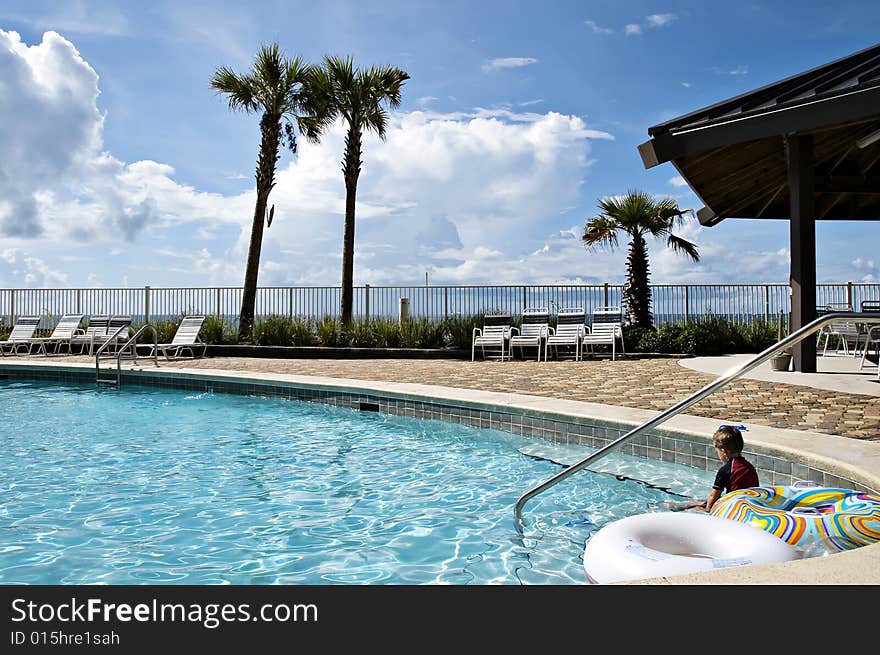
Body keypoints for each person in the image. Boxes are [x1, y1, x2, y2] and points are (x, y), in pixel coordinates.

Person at [664, 425, 759, 512]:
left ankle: (680, 507)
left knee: (700, 507)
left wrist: (708, 511)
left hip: (734, 507)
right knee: (704, 502)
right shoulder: (748, 466)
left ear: (723, 451)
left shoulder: (726, 470)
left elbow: (714, 495)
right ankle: (696, 503)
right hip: (750, 503)